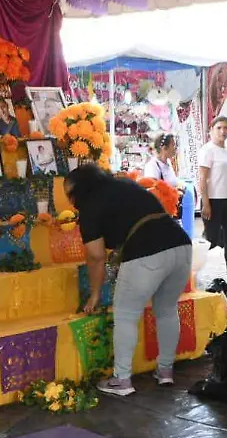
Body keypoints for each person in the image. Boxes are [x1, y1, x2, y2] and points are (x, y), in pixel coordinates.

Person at [68, 164, 192, 396]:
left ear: (79, 191)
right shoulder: (125, 184)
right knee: (166, 309)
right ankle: (165, 371)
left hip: (146, 251)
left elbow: (95, 256)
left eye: (69, 194)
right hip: (181, 245)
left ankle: (122, 380)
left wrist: (94, 294)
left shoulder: (90, 206)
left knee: (125, 314)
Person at [199, 116, 227, 277]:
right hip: (213, 200)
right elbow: (202, 178)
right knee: (212, 240)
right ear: (211, 131)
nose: (223, 131)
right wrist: (206, 202)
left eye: (226, 128)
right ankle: (191, 263)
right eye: (219, 128)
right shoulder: (207, 150)